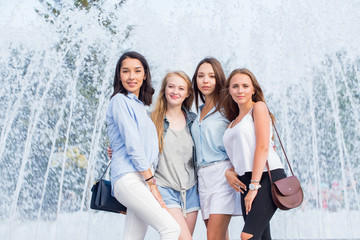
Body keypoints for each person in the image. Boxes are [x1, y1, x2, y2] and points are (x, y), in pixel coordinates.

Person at [106, 51, 180, 240]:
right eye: (125, 71)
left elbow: (137, 145)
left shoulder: (139, 106)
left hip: (139, 180)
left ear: (145, 74)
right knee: (171, 229)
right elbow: (133, 145)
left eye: (137, 71)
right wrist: (151, 184)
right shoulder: (119, 101)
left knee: (133, 237)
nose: (132, 77)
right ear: (119, 75)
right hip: (130, 179)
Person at [222, 68, 286, 240]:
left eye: (245, 86)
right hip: (245, 180)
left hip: (266, 177)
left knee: (247, 236)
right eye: (235, 86)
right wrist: (229, 172)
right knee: (262, 236)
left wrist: (254, 186)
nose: (240, 90)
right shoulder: (232, 122)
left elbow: (263, 147)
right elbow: (238, 156)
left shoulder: (258, 108)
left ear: (253, 89)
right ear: (229, 90)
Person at [191, 57, 242, 240]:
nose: (205, 81)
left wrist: (234, 169)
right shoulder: (198, 112)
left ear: (219, 79)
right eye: (201, 76)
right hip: (202, 179)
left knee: (213, 237)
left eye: (211, 76)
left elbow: (249, 134)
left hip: (223, 175)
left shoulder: (227, 108)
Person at [151, 71, 200, 239]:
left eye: (181, 88)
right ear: (164, 89)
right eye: (171, 86)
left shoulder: (194, 121)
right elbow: (136, 148)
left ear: (187, 94)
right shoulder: (152, 120)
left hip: (192, 190)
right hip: (165, 188)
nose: (175, 91)